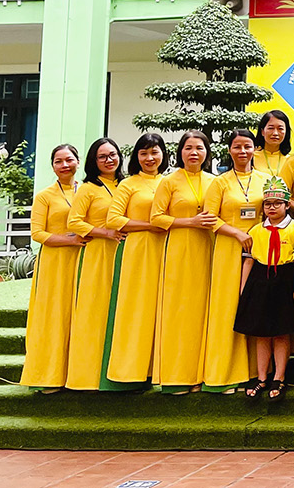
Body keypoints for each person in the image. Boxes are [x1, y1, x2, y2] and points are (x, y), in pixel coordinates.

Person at [151, 132, 216, 393]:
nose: (193, 153)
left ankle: (202, 374)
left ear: (207, 152)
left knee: (204, 311)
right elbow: (156, 217)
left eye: (199, 148)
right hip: (179, 249)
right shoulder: (169, 181)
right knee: (179, 310)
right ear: (180, 152)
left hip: (208, 248)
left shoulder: (214, 181)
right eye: (188, 148)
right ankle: (176, 376)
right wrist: (191, 222)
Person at [102, 133, 168, 391]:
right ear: (136, 157)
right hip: (139, 251)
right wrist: (151, 225)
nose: (150, 158)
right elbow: (114, 219)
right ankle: (131, 372)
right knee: (137, 308)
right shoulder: (128, 184)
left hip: (169, 250)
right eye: (144, 153)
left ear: (163, 154)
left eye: (154, 152)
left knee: (163, 308)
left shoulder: (171, 181)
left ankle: (161, 369)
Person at [202, 129, 264, 393]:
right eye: (237, 147)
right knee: (227, 307)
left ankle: (256, 371)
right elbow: (209, 217)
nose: (242, 151)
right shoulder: (220, 182)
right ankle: (225, 373)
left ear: (255, 149)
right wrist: (237, 233)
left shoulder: (265, 179)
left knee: (256, 306)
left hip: (259, 249)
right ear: (229, 150)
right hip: (228, 248)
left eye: (247, 146)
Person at [234, 175, 294, 401]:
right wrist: (244, 290)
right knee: (261, 333)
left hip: (284, 279)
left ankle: (279, 376)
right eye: (268, 204)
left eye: (277, 203)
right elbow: (249, 261)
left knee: (281, 332)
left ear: (287, 205)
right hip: (260, 281)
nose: (272, 208)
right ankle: (262, 376)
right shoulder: (256, 230)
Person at [64, 137, 123, 391]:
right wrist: (104, 232)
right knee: (95, 311)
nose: (109, 160)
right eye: (102, 157)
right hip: (98, 254)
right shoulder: (88, 188)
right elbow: (74, 222)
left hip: (125, 254)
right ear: (93, 161)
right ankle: (88, 375)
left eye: (113, 154)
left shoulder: (125, 184)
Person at [22, 142, 81, 391]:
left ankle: (79, 374)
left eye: (69, 160)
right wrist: (69, 240)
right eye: (59, 161)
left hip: (84, 261)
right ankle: (49, 375)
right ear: (53, 166)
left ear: (78, 162)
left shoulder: (88, 191)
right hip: (55, 262)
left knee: (80, 315)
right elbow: (37, 233)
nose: (65, 165)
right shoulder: (45, 196)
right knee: (54, 315)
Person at [252, 110, 291, 179]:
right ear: (262, 131)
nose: (275, 133)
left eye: (280, 129)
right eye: (271, 128)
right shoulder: (251, 157)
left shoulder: (291, 160)